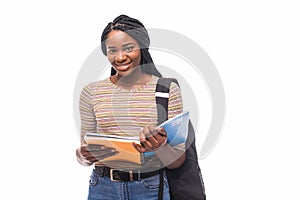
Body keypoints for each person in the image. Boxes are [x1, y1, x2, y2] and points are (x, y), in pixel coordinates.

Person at [76, 14, 186, 200]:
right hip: (102, 188)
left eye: (128, 48)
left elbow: (178, 161)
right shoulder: (91, 92)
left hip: (149, 188)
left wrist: (160, 147)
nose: (120, 57)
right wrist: (83, 155)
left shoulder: (166, 90)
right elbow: (84, 150)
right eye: (112, 50)